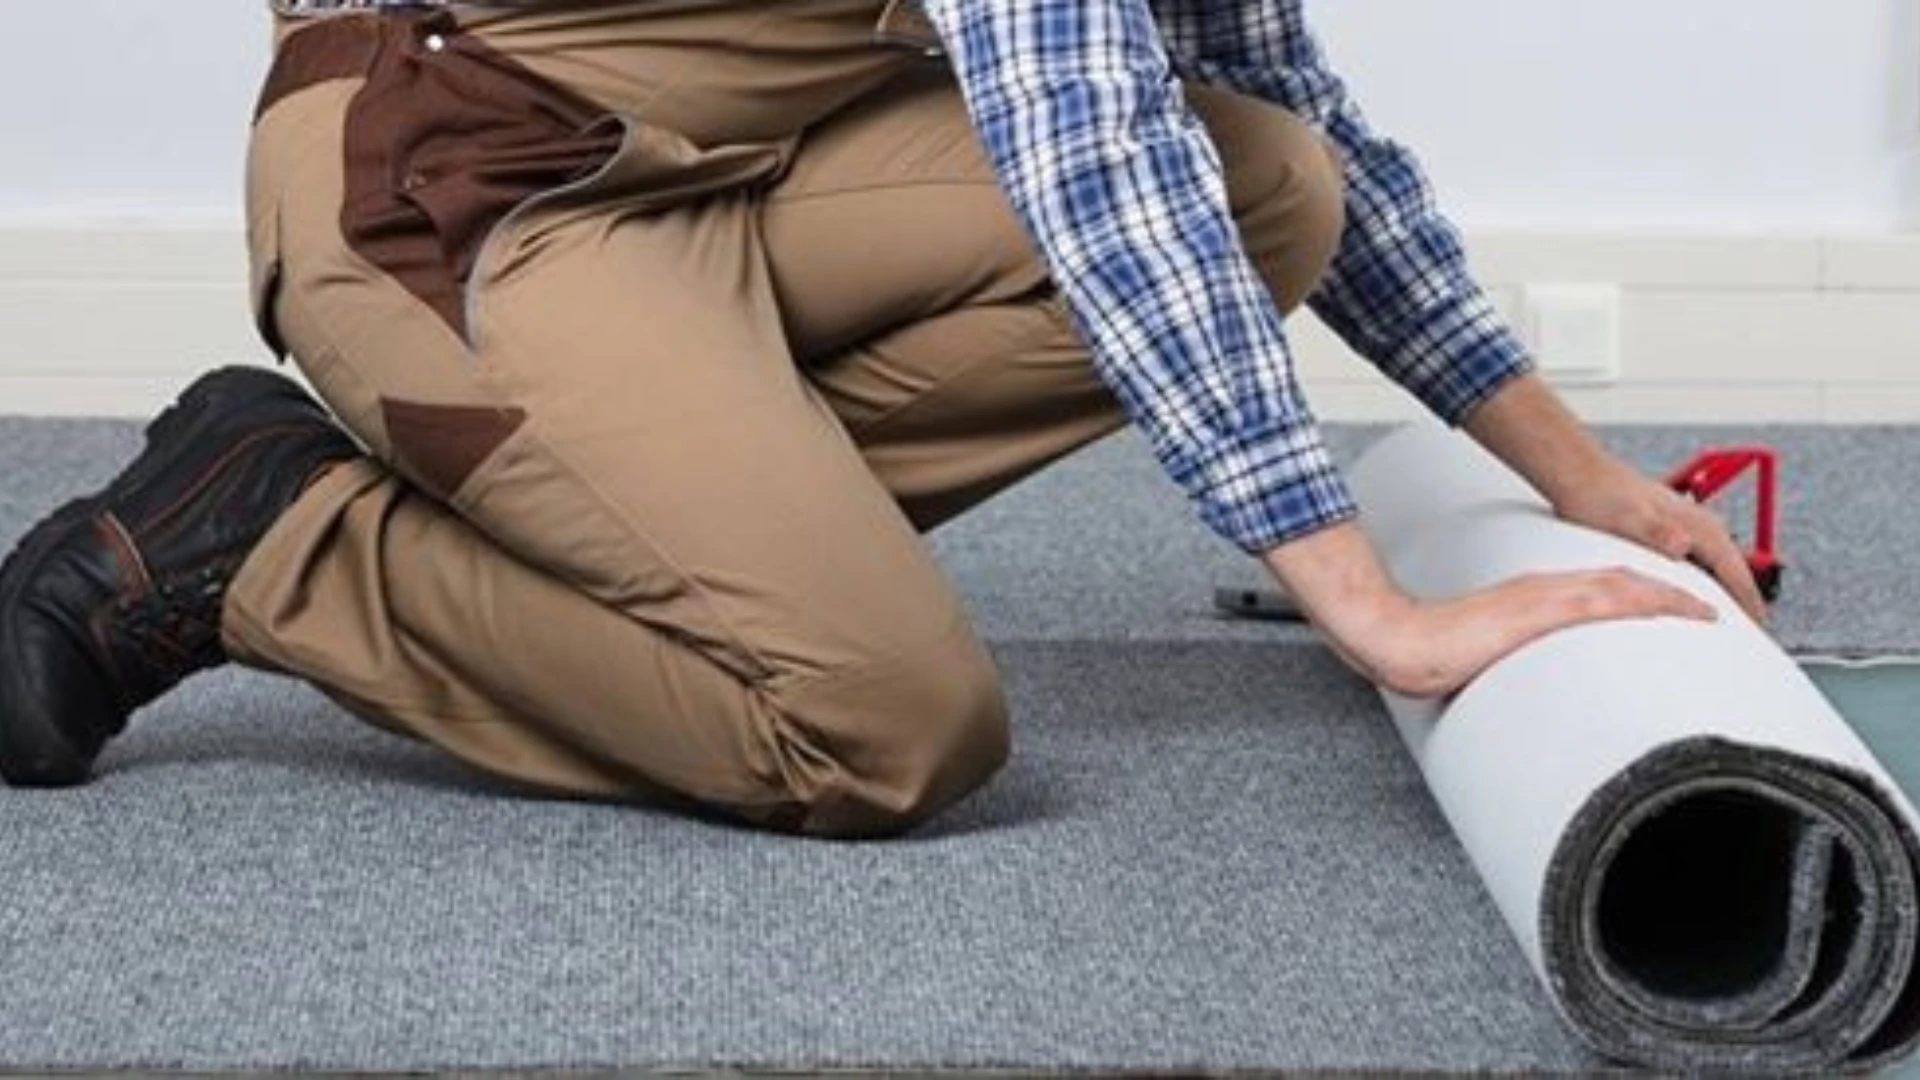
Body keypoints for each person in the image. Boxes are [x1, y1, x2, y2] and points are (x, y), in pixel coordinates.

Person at [0, 0, 1765, 838]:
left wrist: (1583, 477)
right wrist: (1372, 607)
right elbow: (1088, 152)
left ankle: (659, 506)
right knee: (883, 725)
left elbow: (1283, 125)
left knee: (1266, 181)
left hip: (714, 186)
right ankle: (274, 538)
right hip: (452, 183)